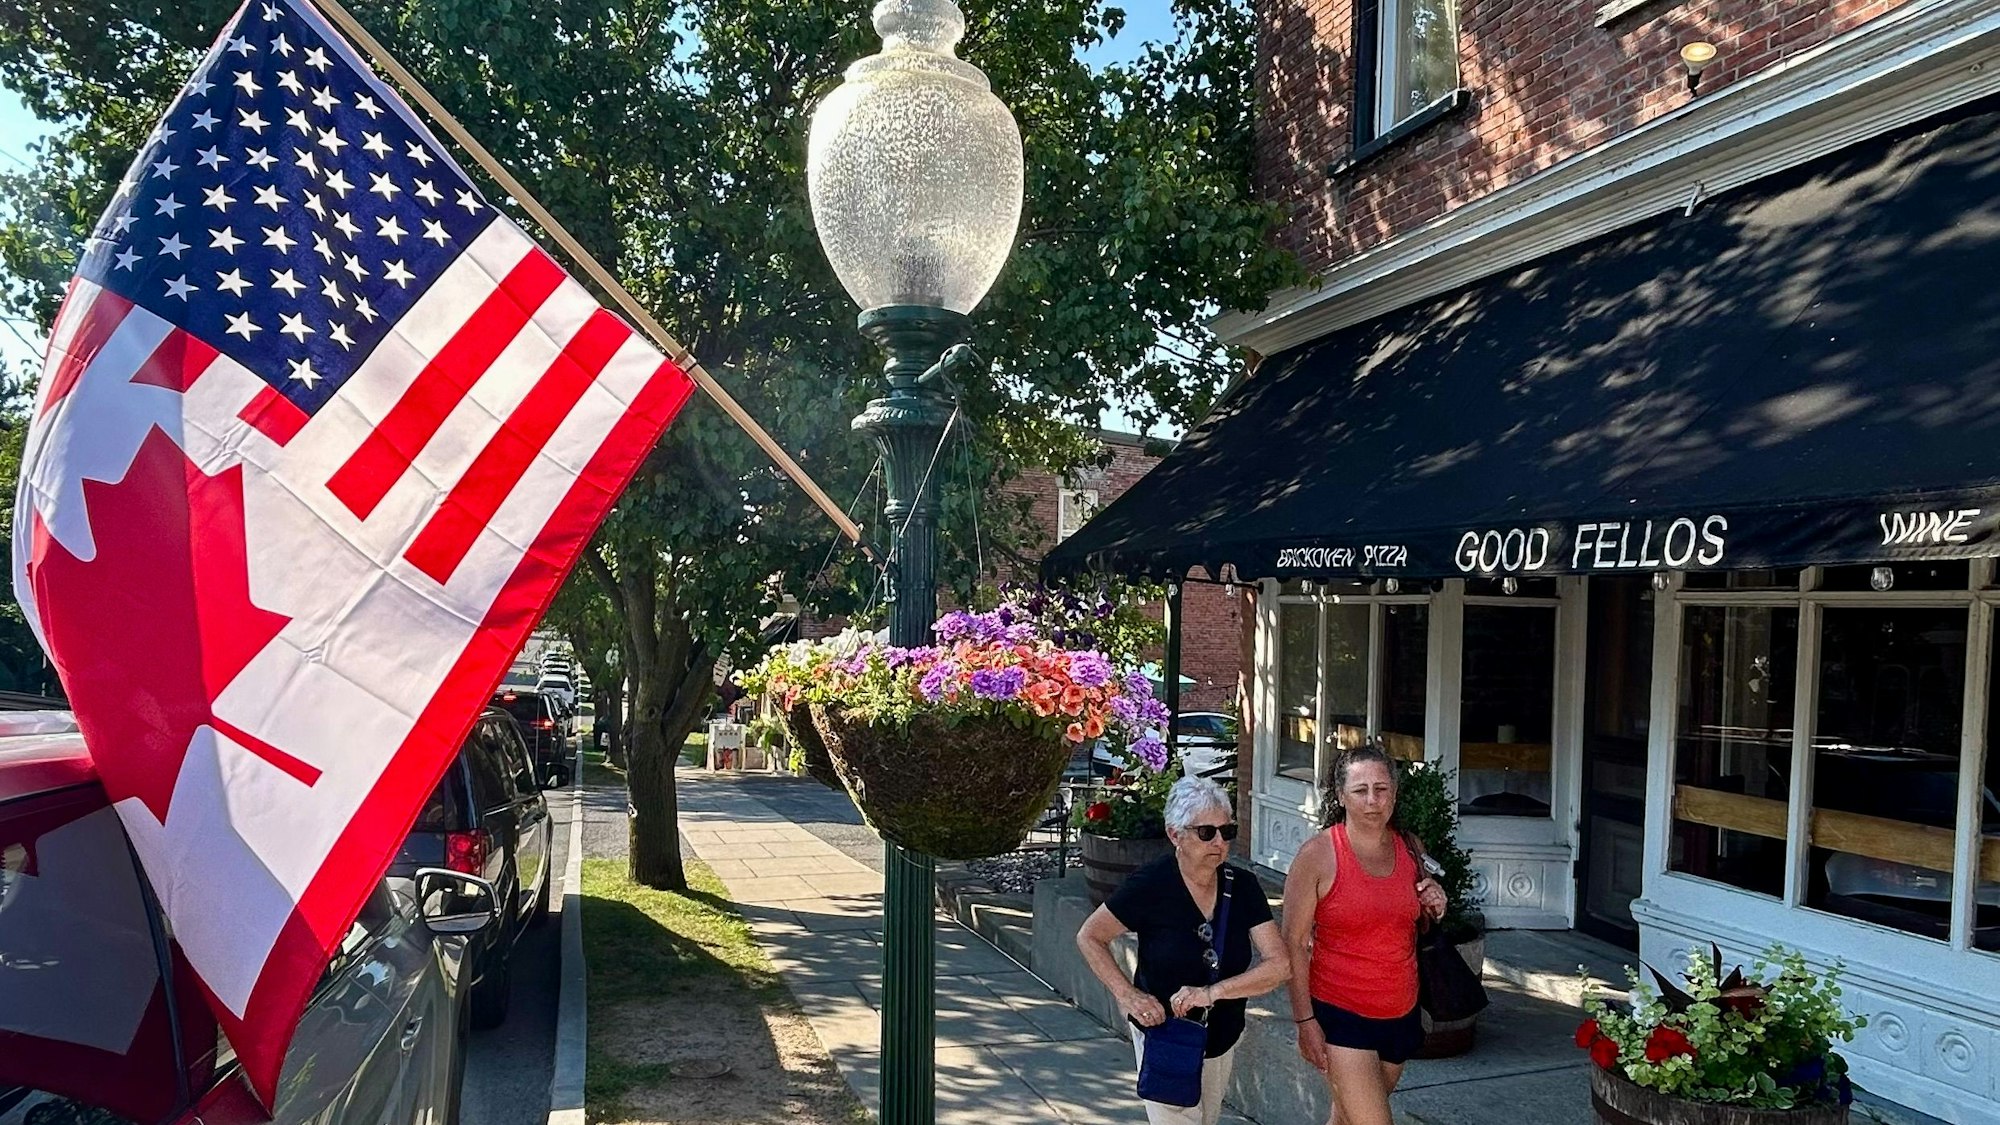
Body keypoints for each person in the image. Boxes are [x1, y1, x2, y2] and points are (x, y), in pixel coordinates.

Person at [1076, 775, 1291, 1125]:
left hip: (1221, 1035)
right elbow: (1090, 936)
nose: (1219, 842)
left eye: (1227, 831)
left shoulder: (1245, 887)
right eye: (1206, 832)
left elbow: (1280, 966)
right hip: (1164, 1035)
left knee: (1206, 1119)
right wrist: (1127, 995)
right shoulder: (1150, 885)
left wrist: (1213, 993)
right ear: (1175, 835)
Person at [1282, 745, 1449, 1125]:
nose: (1372, 800)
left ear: (1394, 792)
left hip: (1401, 1011)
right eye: (1360, 790)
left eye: (1382, 788)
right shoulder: (1318, 855)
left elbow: (1416, 920)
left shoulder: (1410, 848)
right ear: (1340, 795)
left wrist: (1436, 902)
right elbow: (1292, 943)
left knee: (1345, 1120)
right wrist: (1305, 1022)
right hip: (1341, 1012)